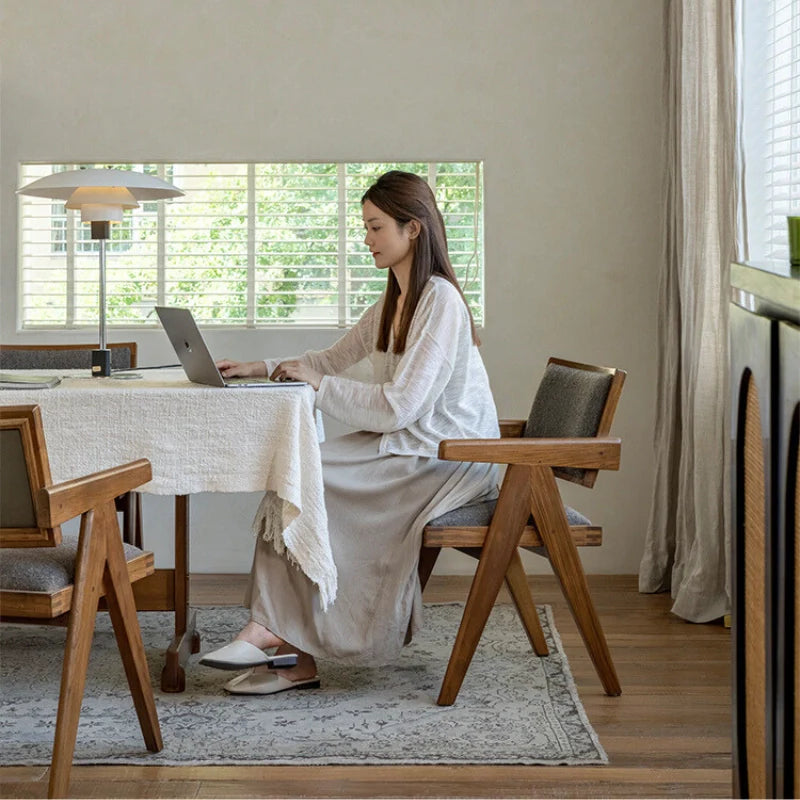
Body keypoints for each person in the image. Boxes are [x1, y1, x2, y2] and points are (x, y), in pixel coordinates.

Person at [200, 170, 500, 695]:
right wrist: (259, 366)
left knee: (301, 478)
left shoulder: (441, 301)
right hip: (414, 446)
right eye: (365, 227)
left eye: (375, 227)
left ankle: (278, 638)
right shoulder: (396, 300)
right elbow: (330, 359)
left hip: (449, 460)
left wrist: (318, 386)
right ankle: (287, 646)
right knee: (295, 474)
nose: (366, 239)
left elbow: (400, 406)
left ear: (414, 229)